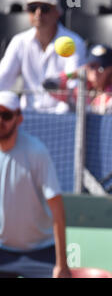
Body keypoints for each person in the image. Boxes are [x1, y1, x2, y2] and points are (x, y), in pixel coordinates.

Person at [0, 91, 71, 278]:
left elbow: (58, 211)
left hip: (41, 252)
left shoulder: (36, 152)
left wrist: (62, 264)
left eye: (6, 115)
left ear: (19, 118)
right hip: (2, 250)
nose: (0, 121)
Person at [0, 0, 86, 113]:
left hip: (64, 117)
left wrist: (60, 84)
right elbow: (2, 80)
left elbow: (73, 86)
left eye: (45, 8)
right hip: (28, 115)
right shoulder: (19, 41)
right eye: (32, 8)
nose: (38, 13)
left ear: (57, 12)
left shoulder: (74, 42)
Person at [44, 44, 112, 114]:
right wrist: (74, 74)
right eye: (92, 66)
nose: (96, 72)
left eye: (102, 67)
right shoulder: (79, 92)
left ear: (111, 68)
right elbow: (49, 85)